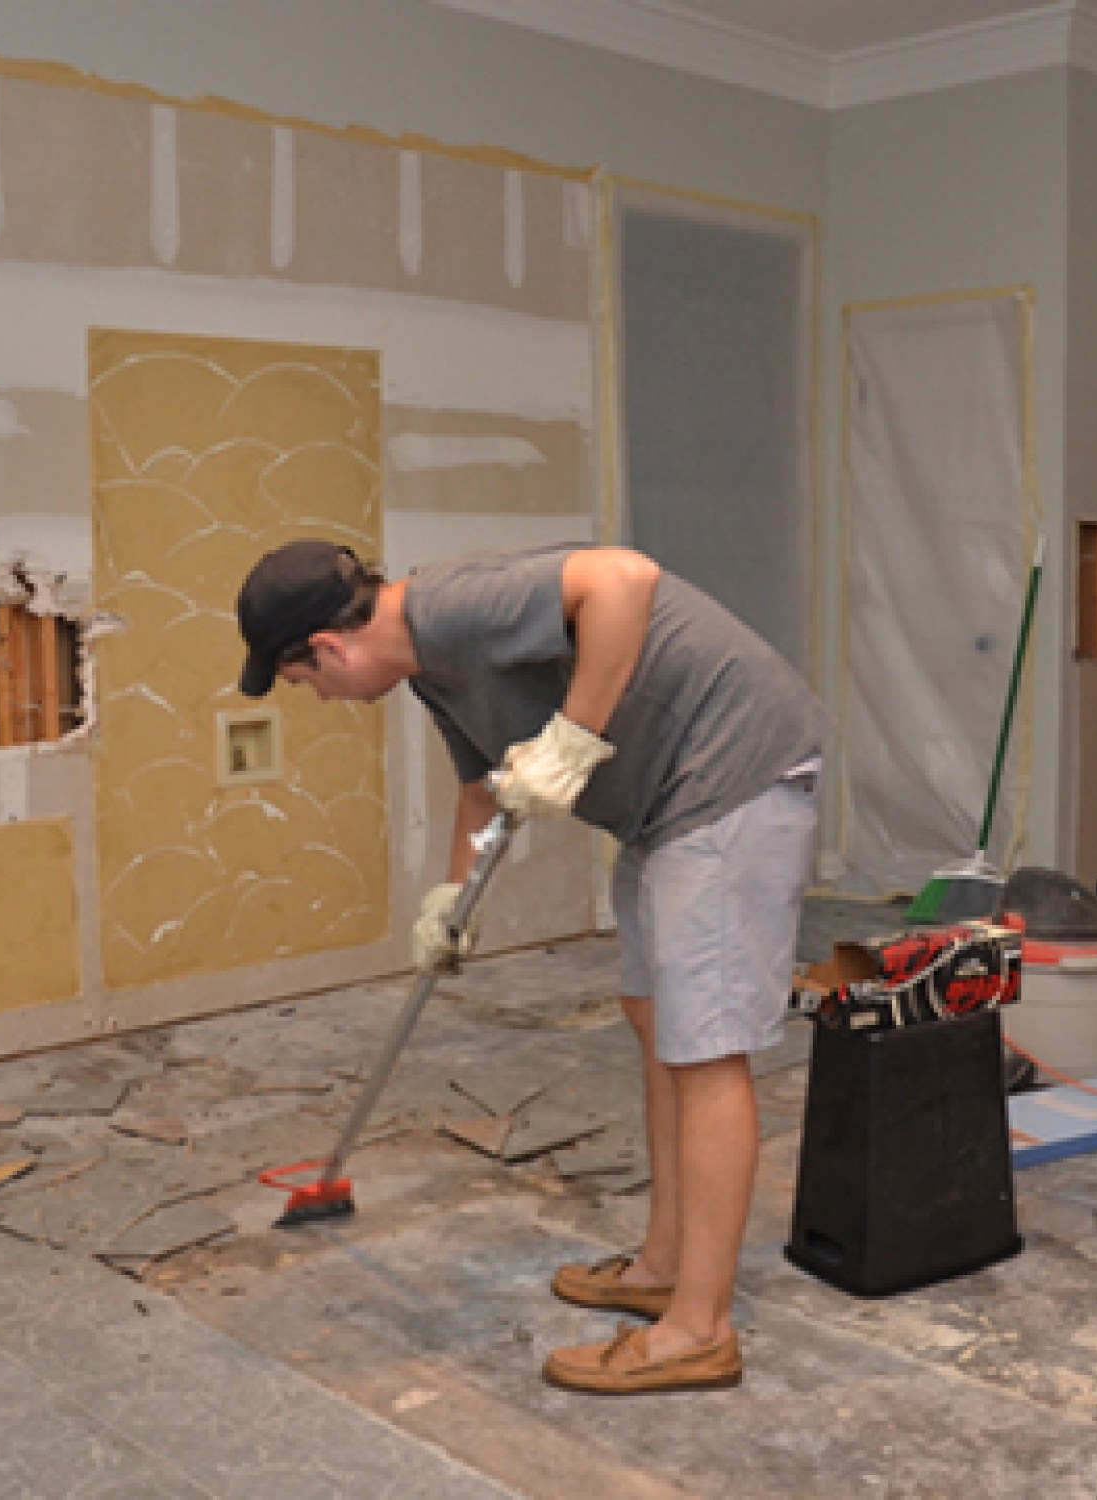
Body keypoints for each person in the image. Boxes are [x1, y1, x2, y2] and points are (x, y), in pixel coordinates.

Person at [236, 538, 824, 1395]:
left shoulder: (452, 607)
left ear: (328, 648)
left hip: (735, 769)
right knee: (656, 1017)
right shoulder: (431, 671)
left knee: (707, 1046)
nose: (321, 698)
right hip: (665, 802)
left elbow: (624, 579)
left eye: (305, 682)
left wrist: (573, 738)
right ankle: (665, 1265)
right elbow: (481, 791)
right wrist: (450, 903)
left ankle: (699, 1329)